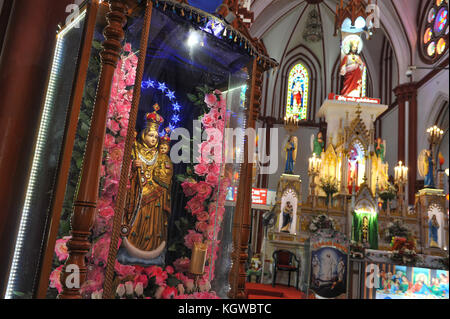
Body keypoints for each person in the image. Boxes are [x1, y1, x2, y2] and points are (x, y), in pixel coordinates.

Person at [121, 104, 173, 264]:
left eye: (156, 137)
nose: (153, 139)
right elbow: (122, 174)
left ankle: (151, 251)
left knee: (153, 225)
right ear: (144, 134)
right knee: (136, 222)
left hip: (155, 198)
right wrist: (133, 167)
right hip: (138, 194)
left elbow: (165, 175)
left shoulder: (161, 154)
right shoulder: (135, 150)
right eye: (151, 135)